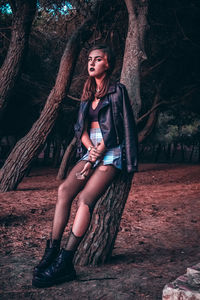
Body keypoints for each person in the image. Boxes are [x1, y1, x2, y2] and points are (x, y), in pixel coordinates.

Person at [32, 44, 138, 288]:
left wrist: (96, 157)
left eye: (98, 59)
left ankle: (66, 262)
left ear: (107, 64)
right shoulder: (87, 92)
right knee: (64, 191)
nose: (91, 63)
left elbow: (119, 129)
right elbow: (80, 129)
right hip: (91, 151)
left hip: (111, 155)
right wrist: (90, 152)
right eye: (90, 59)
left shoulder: (117, 91)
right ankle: (52, 251)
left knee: (85, 200)